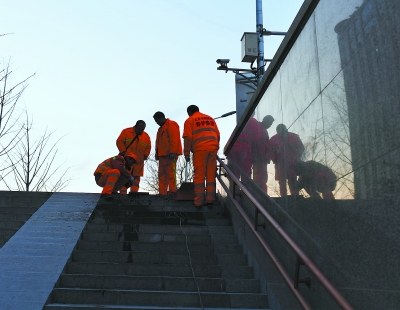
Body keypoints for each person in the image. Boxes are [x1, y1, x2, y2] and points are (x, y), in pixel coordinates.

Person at [183, 105, 220, 208]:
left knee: (199, 175)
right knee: (210, 175)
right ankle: (210, 200)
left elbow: (187, 137)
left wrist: (186, 153)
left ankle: (199, 201)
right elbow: (218, 134)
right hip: (213, 148)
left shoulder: (190, 120)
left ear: (189, 112)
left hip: (200, 150)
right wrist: (216, 147)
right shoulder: (210, 118)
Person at [228, 114, 273, 193]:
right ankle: (247, 194)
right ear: (265, 120)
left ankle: (236, 194)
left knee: (235, 173)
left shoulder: (251, 123)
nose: (269, 125)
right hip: (249, 153)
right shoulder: (258, 127)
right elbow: (258, 143)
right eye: (269, 123)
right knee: (247, 174)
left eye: (271, 124)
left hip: (235, 150)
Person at [153, 111, 182, 199]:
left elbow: (174, 138)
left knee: (170, 174)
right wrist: (157, 154)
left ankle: (172, 191)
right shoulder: (161, 129)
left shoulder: (171, 124)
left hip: (170, 155)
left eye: (157, 120)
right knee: (161, 174)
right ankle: (162, 192)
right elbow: (158, 142)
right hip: (162, 155)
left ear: (162, 118)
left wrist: (173, 151)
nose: (156, 123)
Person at [269, 124, 304, 196]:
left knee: (292, 181)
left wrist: (296, 157)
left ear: (286, 130)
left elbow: (301, 148)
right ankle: (283, 197)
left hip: (292, 164)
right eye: (279, 132)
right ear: (277, 132)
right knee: (282, 182)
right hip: (280, 165)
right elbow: (269, 151)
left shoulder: (294, 137)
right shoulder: (273, 139)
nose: (281, 133)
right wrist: (274, 159)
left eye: (283, 131)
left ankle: (295, 196)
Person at [116, 120, 151, 193]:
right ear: (135, 126)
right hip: (127, 161)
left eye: (142, 129)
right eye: (139, 129)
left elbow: (148, 147)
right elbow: (119, 141)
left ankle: (134, 194)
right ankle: (122, 195)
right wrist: (123, 152)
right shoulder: (126, 132)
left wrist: (145, 155)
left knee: (136, 180)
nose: (141, 131)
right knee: (124, 177)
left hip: (138, 162)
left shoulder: (146, 137)